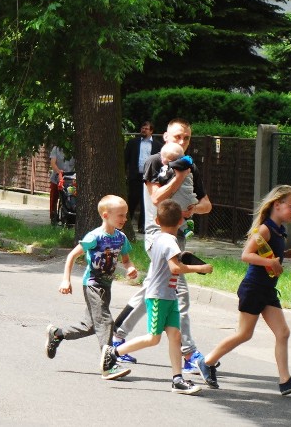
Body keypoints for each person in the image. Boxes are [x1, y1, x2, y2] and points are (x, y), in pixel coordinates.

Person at [112, 118, 212, 371]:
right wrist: (178, 177)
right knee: (179, 294)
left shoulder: (191, 167)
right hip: (158, 237)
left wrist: (193, 208)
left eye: (187, 138)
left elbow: (207, 205)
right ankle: (189, 354)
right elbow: (156, 198)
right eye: (178, 136)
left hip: (178, 239)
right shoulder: (155, 162)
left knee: (152, 291)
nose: (182, 141)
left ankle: (116, 337)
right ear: (165, 136)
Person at [197, 185, 291, 396]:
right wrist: (274, 263)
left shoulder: (278, 230)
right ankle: (206, 361)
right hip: (254, 288)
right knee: (244, 334)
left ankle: (285, 381)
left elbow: (268, 254)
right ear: (277, 204)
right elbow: (246, 255)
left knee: (283, 332)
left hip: (267, 289)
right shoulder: (265, 229)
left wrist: (286, 254)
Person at [104, 199, 212, 395]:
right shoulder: (170, 241)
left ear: (156, 219)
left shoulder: (158, 239)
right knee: (153, 338)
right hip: (158, 297)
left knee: (175, 336)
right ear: (181, 221)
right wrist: (201, 268)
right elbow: (175, 268)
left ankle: (177, 379)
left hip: (169, 296)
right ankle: (113, 352)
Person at [45, 195, 138, 380]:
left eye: (125, 215)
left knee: (90, 326)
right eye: (120, 215)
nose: (124, 219)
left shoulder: (121, 238)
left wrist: (131, 269)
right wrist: (66, 280)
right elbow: (72, 256)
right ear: (105, 215)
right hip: (93, 284)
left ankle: (57, 334)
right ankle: (109, 364)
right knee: (105, 321)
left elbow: (126, 260)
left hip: (106, 286)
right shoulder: (94, 237)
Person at [124, 121, 162, 233]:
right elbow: (125, 159)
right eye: (142, 128)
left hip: (150, 177)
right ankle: (126, 224)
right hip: (135, 176)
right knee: (132, 199)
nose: (143, 130)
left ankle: (142, 226)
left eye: (146, 128)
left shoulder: (158, 145)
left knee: (146, 202)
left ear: (151, 131)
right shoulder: (133, 143)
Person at [49, 145, 75, 225]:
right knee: (54, 197)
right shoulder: (56, 148)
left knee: (71, 197)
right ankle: (53, 216)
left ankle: (69, 216)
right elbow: (53, 163)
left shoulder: (74, 149)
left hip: (69, 179)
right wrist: (59, 172)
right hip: (56, 177)